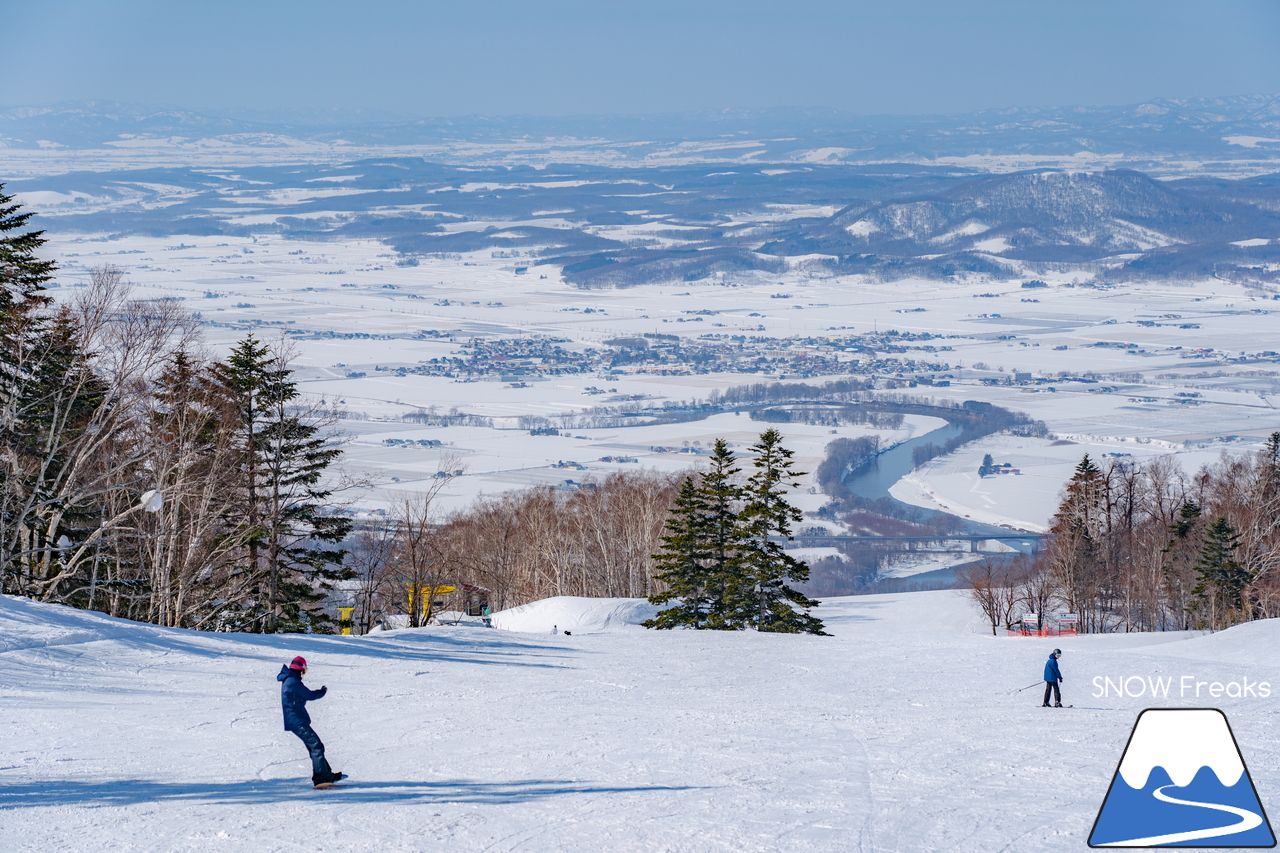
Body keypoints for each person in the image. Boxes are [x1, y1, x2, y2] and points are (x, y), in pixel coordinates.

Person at [277, 656, 345, 787]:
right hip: (297, 721)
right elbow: (309, 695)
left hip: (296, 720)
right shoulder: (292, 681)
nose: (305, 672)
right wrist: (322, 691)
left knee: (315, 746)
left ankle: (326, 774)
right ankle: (322, 778)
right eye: (305, 670)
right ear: (301, 669)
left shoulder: (290, 680)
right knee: (316, 746)